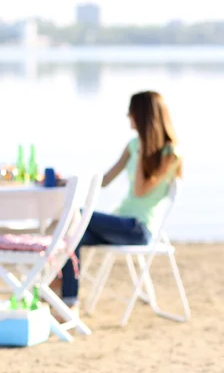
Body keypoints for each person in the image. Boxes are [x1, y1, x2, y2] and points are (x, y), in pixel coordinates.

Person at [60, 90, 183, 307]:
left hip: (138, 229)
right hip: (121, 223)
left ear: (142, 115)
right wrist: (70, 181)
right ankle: (68, 299)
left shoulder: (169, 153)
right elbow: (105, 181)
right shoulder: (133, 145)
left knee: (75, 215)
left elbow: (139, 191)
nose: (128, 116)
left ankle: (59, 290)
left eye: (131, 112)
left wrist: (145, 148)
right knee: (71, 235)